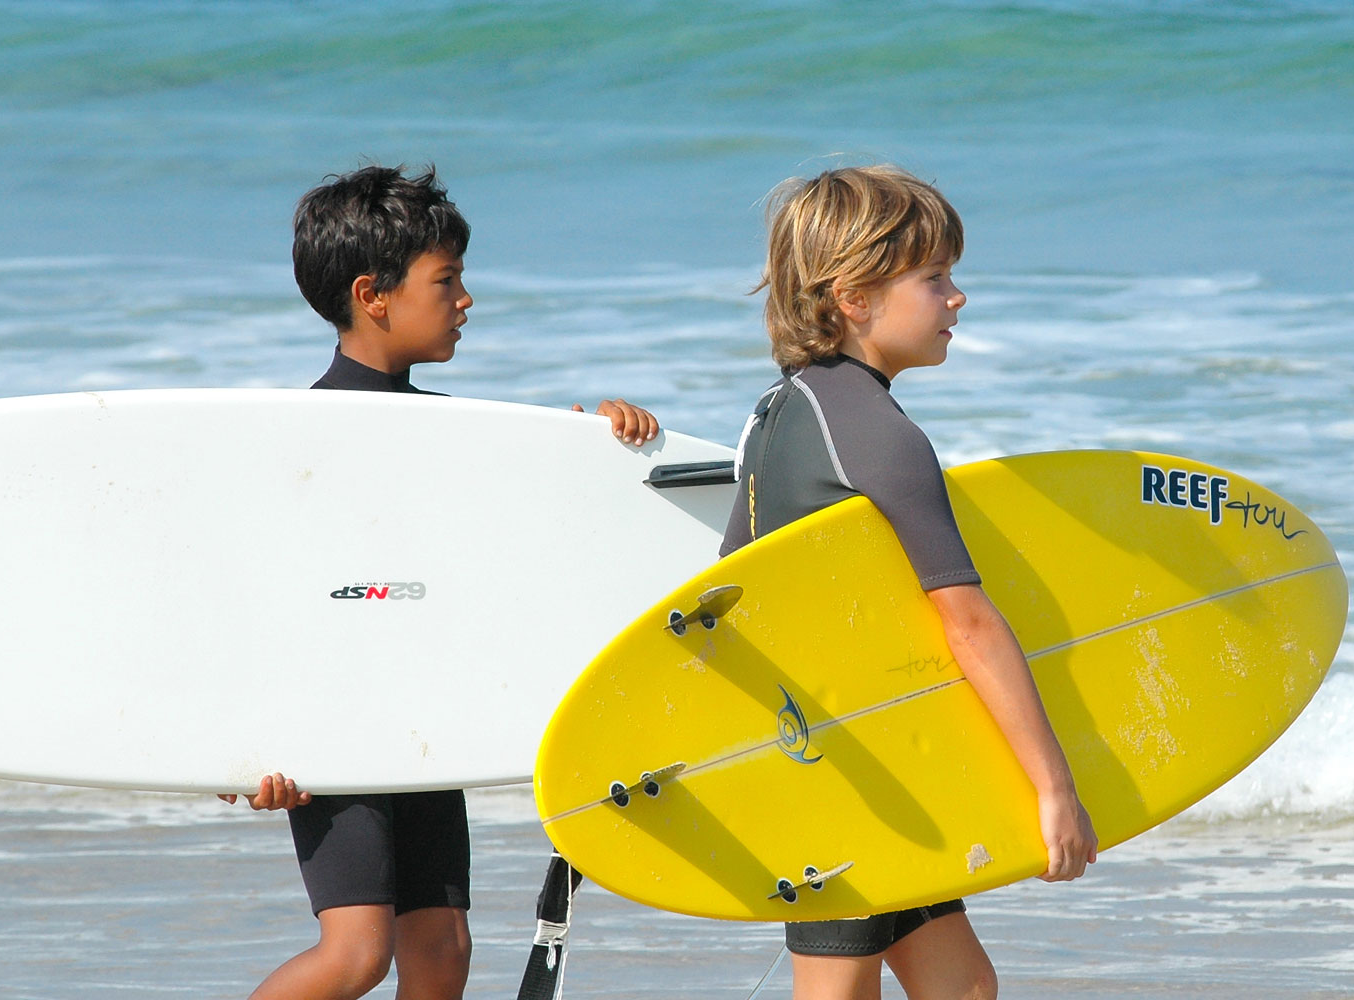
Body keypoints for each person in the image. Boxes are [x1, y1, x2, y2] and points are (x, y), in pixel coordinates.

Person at [219, 164, 658, 1000]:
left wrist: (591, 451)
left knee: (443, 948)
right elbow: (259, 594)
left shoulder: (448, 434)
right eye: (446, 280)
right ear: (372, 295)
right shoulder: (297, 440)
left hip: (421, 715)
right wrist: (249, 739)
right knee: (355, 955)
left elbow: (509, 544)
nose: (466, 299)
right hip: (330, 721)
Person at [720, 164, 1098, 1000]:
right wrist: (1054, 787)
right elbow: (967, 621)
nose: (957, 298)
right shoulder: (880, 434)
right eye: (935, 278)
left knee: (963, 986)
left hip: (834, 748)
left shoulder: (775, 412)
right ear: (854, 297)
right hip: (841, 772)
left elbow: (730, 594)